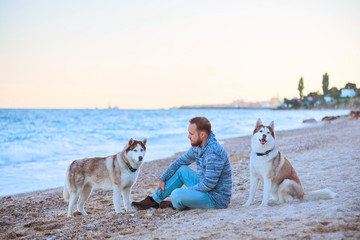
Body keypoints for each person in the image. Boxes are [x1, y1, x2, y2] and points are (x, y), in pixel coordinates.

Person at [132, 116, 232, 210]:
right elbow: (180, 162)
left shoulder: (213, 153)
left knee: (176, 194)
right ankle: (154, 200)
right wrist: (163, 178)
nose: (188, 136)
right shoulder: (198, 146)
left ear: (202, 134)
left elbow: (208, 185)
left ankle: (178, 203)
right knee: (182, 170)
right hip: (206, 188)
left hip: (216, 199)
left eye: (191, 134)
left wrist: (188, 192)